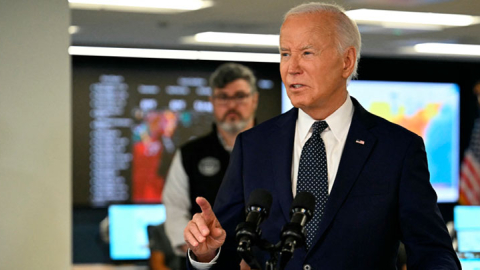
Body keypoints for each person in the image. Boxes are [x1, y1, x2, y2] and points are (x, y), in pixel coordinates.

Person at [183, 2, 461, 270]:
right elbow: (227, 248)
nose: (292, 67)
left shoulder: (397, 149)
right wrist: (207, 254)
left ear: (347, 61)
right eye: (284, 53)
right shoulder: (254, 145)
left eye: (307, 53)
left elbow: (433, 252)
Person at [162, 63, 259, 267]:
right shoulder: (190, 154)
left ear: (254, 99)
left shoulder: (278, 147)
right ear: (212, 102)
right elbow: (175, 213)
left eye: (240, 96)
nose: (231, 105)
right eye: (223, 97)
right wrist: (204, 255)